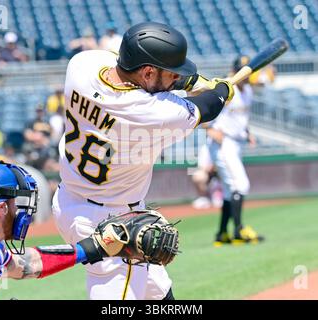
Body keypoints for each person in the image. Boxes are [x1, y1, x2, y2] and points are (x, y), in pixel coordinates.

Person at [53, 21, 234, 300]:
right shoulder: (152, 114)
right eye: (170, 74)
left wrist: (187, 80)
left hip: (69, 200)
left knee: (157, 291)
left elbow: (133, 73)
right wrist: (222, 90)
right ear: (147, 71)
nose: (175, 79)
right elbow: (207, 108)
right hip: (113, 225)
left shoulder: (82, 64)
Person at [0, 160, 171, 299]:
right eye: (15, 204)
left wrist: (94, 247)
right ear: (1, 208)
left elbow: (24, 264)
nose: (20, 211)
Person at [206, 56, 264, 247]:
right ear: (234, 71)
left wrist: (248, 132)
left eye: (247, 71)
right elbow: (202, 106)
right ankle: (239, 230)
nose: (245, 75)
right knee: (241, 184)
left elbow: (241, 118)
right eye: (241, 70)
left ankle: (222, 233)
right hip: (223, 143)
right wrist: (209, 128)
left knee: (231, 191)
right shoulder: (227, 89)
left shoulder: (247, 90)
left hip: (237, 142)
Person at [191, 144, 222, 209]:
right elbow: (202, 166)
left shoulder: (225, 146)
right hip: (209, 173)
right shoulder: (205, 148)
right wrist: (211, 167)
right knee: (198, 175)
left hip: (221, 173)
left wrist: (216, 167)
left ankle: (221, 195)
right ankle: (204, 197)